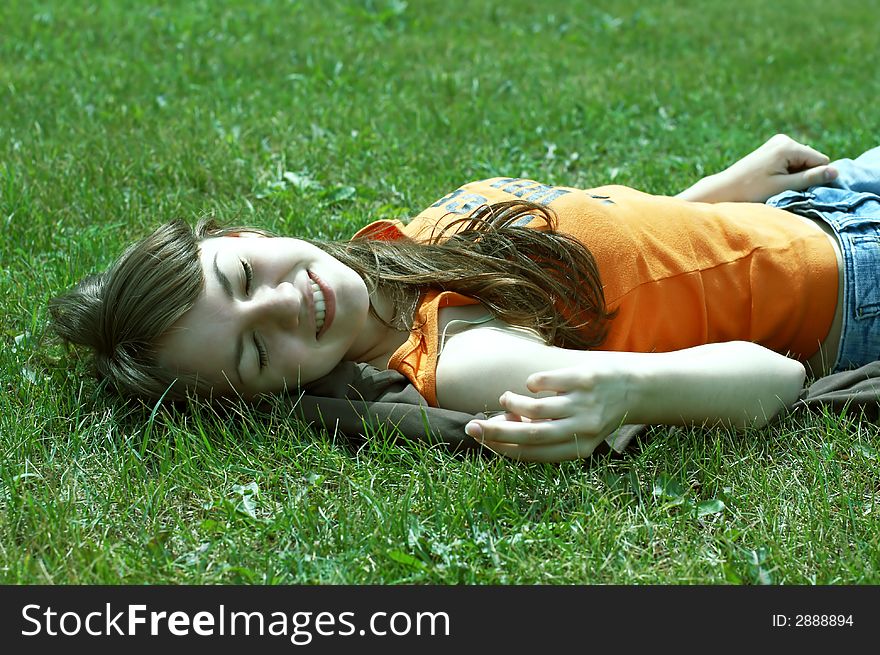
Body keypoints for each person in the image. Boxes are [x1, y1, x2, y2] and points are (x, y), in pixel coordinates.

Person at [48, 135, 880, 461]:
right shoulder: (469, 359)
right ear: (268, 394)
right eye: (256, 351)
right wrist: (631, 388)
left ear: (242, 237)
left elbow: (607, 254)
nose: (283, 306)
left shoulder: (406, 244)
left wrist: (720, 192)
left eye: (240, 280)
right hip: (854, 285)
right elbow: (774, 378)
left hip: (806, 208)